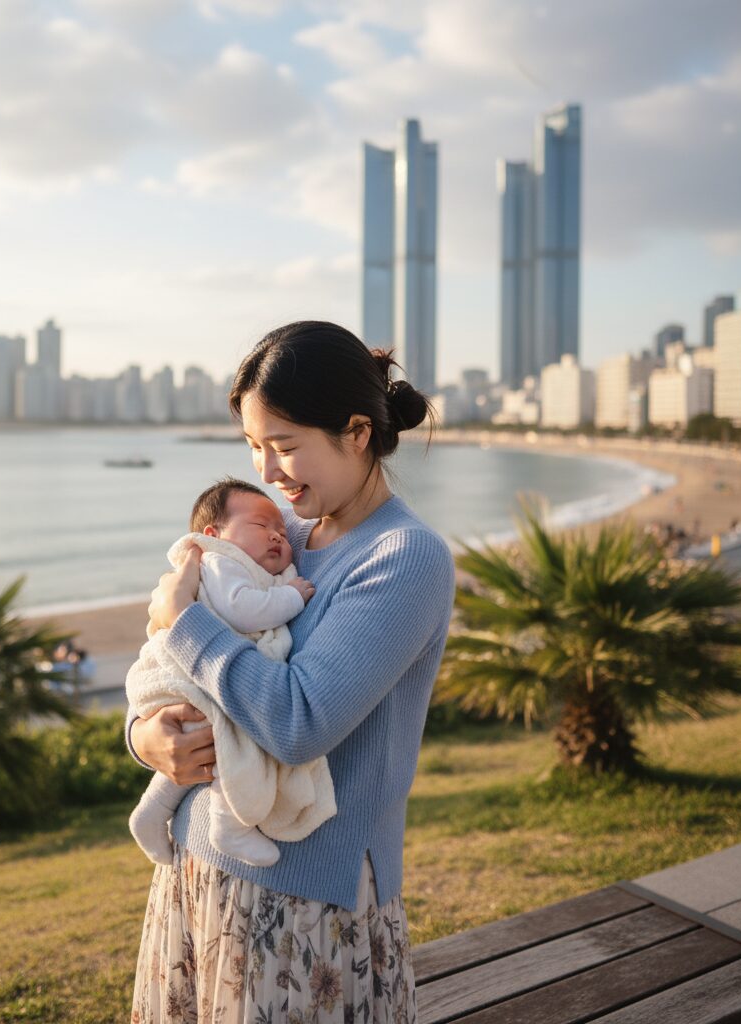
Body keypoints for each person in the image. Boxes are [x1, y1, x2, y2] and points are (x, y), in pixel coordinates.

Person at [124, 321, 456, 1022]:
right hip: (197, 869)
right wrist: (144, 736)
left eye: (284, 447)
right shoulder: (285, 539)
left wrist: (185, 623)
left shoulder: (403, 558)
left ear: (357, 433)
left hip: (308, 908)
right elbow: (168, 660)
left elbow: (298, 721)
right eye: (253, 448)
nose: (267, 474)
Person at [127, 477, 328, 869]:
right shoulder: (220, 561)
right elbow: (241, 610)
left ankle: (150, 814)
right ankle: (230, 823)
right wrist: (291, 596)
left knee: (214, 746)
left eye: (281, 532)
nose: (277, 536)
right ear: (213, 534)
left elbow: (295, 719)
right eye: (262, 527)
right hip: (189, 677)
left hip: (207, 674)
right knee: (229, 746)